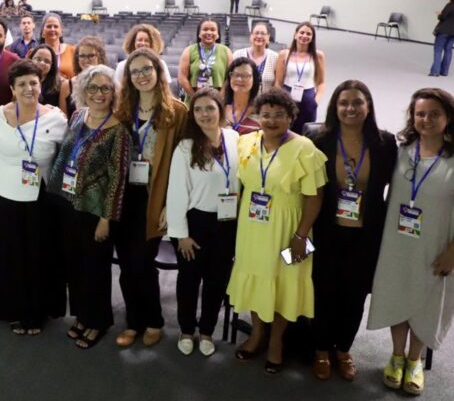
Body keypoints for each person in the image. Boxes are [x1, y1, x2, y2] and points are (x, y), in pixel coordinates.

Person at [227, 88, 327, 374]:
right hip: (252, 226)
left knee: (285, 282)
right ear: (256, 116)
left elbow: (314, 197)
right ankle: (258, 333)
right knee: (255, 277)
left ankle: (276, 341)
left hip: (289, 228)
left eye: (279, 115)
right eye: (265, 115)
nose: (271, 121)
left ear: (291, 117)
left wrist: (301, 236)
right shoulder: (246, 142)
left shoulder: (305, 149)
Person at [308, 80, 397, 381]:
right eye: (344, 102)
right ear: (335, 106)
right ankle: (321, 348)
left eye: (357, 102)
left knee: (355, 294)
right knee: (324, 289)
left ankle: (343, 349)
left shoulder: (384, 143)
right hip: (327, 231)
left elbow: (392, 189)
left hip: (366, 232)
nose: (350, 108)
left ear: (368, 106)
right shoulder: (319, 139)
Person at [367, 88, 454, 395]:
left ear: (448, 118)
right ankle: (396, 355)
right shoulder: (402, 150)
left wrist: (452, 253)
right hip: (396, 241)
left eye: (434, 114)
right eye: (420, 114)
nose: (426, 120)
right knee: (397, 293)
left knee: (425, 299)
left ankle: (415, 361)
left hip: (436, 245)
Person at [0, 60, 68, 335]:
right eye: (22, 84)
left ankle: (37, 311)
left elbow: (69, 155)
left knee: (39, 254)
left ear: (40, 85)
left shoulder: (56, 118)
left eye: (33, 83)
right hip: (4, 194)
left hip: (41, 196)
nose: (29, 88)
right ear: (12, 89)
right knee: (9, 254)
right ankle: (12, 310)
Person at [48, 65, 131, 349]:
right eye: (93, 88)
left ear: (113, 93)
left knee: (95, 268)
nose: (99, 94)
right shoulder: (77, 116)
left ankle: (98, 321)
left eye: (105, 88)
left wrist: (107, 219)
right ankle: (82, 315)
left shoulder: (118, 130)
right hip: (69, 204)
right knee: (74, 265)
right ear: (83, 90)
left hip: (96, 212)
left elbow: (118, 180)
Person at [114, 49, 189, 348]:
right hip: (122, 197)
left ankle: (153, 320)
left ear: (159, 72)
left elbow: (184, 165)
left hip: (155, 196)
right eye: (135, 71)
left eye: (147, 69)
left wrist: (172, 205)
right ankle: (133, 322)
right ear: (128, 78)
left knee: (143, 261)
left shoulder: (178, 112)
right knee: (126, 264)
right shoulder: (121, 110)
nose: (141, 75)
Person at [166, 88, 239, 356]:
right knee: (189, 279)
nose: (204, 114)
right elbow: (176, 192)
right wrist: (181, 235)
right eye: (198, 109)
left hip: (227, 221)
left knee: (216, 279)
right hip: (195, 222)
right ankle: (187, 329)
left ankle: (207, 330)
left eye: (210, 108)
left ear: (221, 110)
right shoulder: (186, 147)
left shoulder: (234, 138)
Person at [275, 22, 326, 133]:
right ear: (295, 35)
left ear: (312, 38)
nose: (304, 36)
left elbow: (321, 82)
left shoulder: (318, 56)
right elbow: (278, 81)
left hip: (308, 99)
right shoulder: (284, 54)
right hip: (287, 96)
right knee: (285, 131)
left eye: (308, 34)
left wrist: (315, 101)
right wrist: (280, 100)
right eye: (301, 32)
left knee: (305, 134)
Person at [178, 18, 233, 98]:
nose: (209, 32)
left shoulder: (226, 51)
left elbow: (229, 78)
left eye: (213, 30)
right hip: (193, 98)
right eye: (205, 29)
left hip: (218, 100)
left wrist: (219, 98)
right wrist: (195, 98)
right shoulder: (188, 51)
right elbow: (182, 78)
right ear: (199, 33)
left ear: (218, 35)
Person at [60, 36, 107, 120]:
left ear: (99, 57)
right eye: (82, 56)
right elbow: (63, 120)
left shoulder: (109, 84)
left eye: (91, 56)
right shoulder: (67, 85)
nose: (86, 60)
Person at [233, 21, 279, 93]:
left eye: (263, 33)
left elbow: (277, 84)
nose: (259, 36)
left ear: (268, 37)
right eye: (256, 33)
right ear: (251, 36)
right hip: (242, 100)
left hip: (265, 102)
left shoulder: (275, 57)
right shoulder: (238, 54)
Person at [223, 58, 262, 134]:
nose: (240, 79)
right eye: (236, 74)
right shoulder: (220, 106)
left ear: (255, 80)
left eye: (246, 75)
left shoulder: (260, 110)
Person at [40, 12, 76, 79]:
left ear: (61, 32)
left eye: (56, 26)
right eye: (49, 26)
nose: (52, 29)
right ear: (42, 32)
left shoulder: (73, 51)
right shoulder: (34, 53)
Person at [429, 0, 454, 77]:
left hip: (443, 31)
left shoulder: (450, 5)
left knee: (438, 50)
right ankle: (444, 71)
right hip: (453, 33)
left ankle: (435, 72)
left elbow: (442, 17)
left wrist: (439, 14)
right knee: (448, 51)